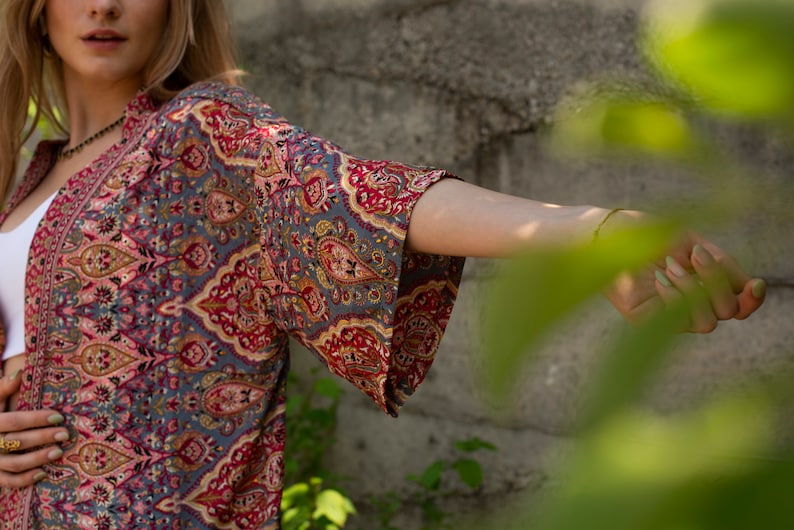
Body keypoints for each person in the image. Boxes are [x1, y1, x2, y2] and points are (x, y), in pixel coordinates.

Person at [0, 0, 765, 528]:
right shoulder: (26, 177)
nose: (101, 5)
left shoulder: (200, 135)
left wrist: (588, 231)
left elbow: (359, 194)